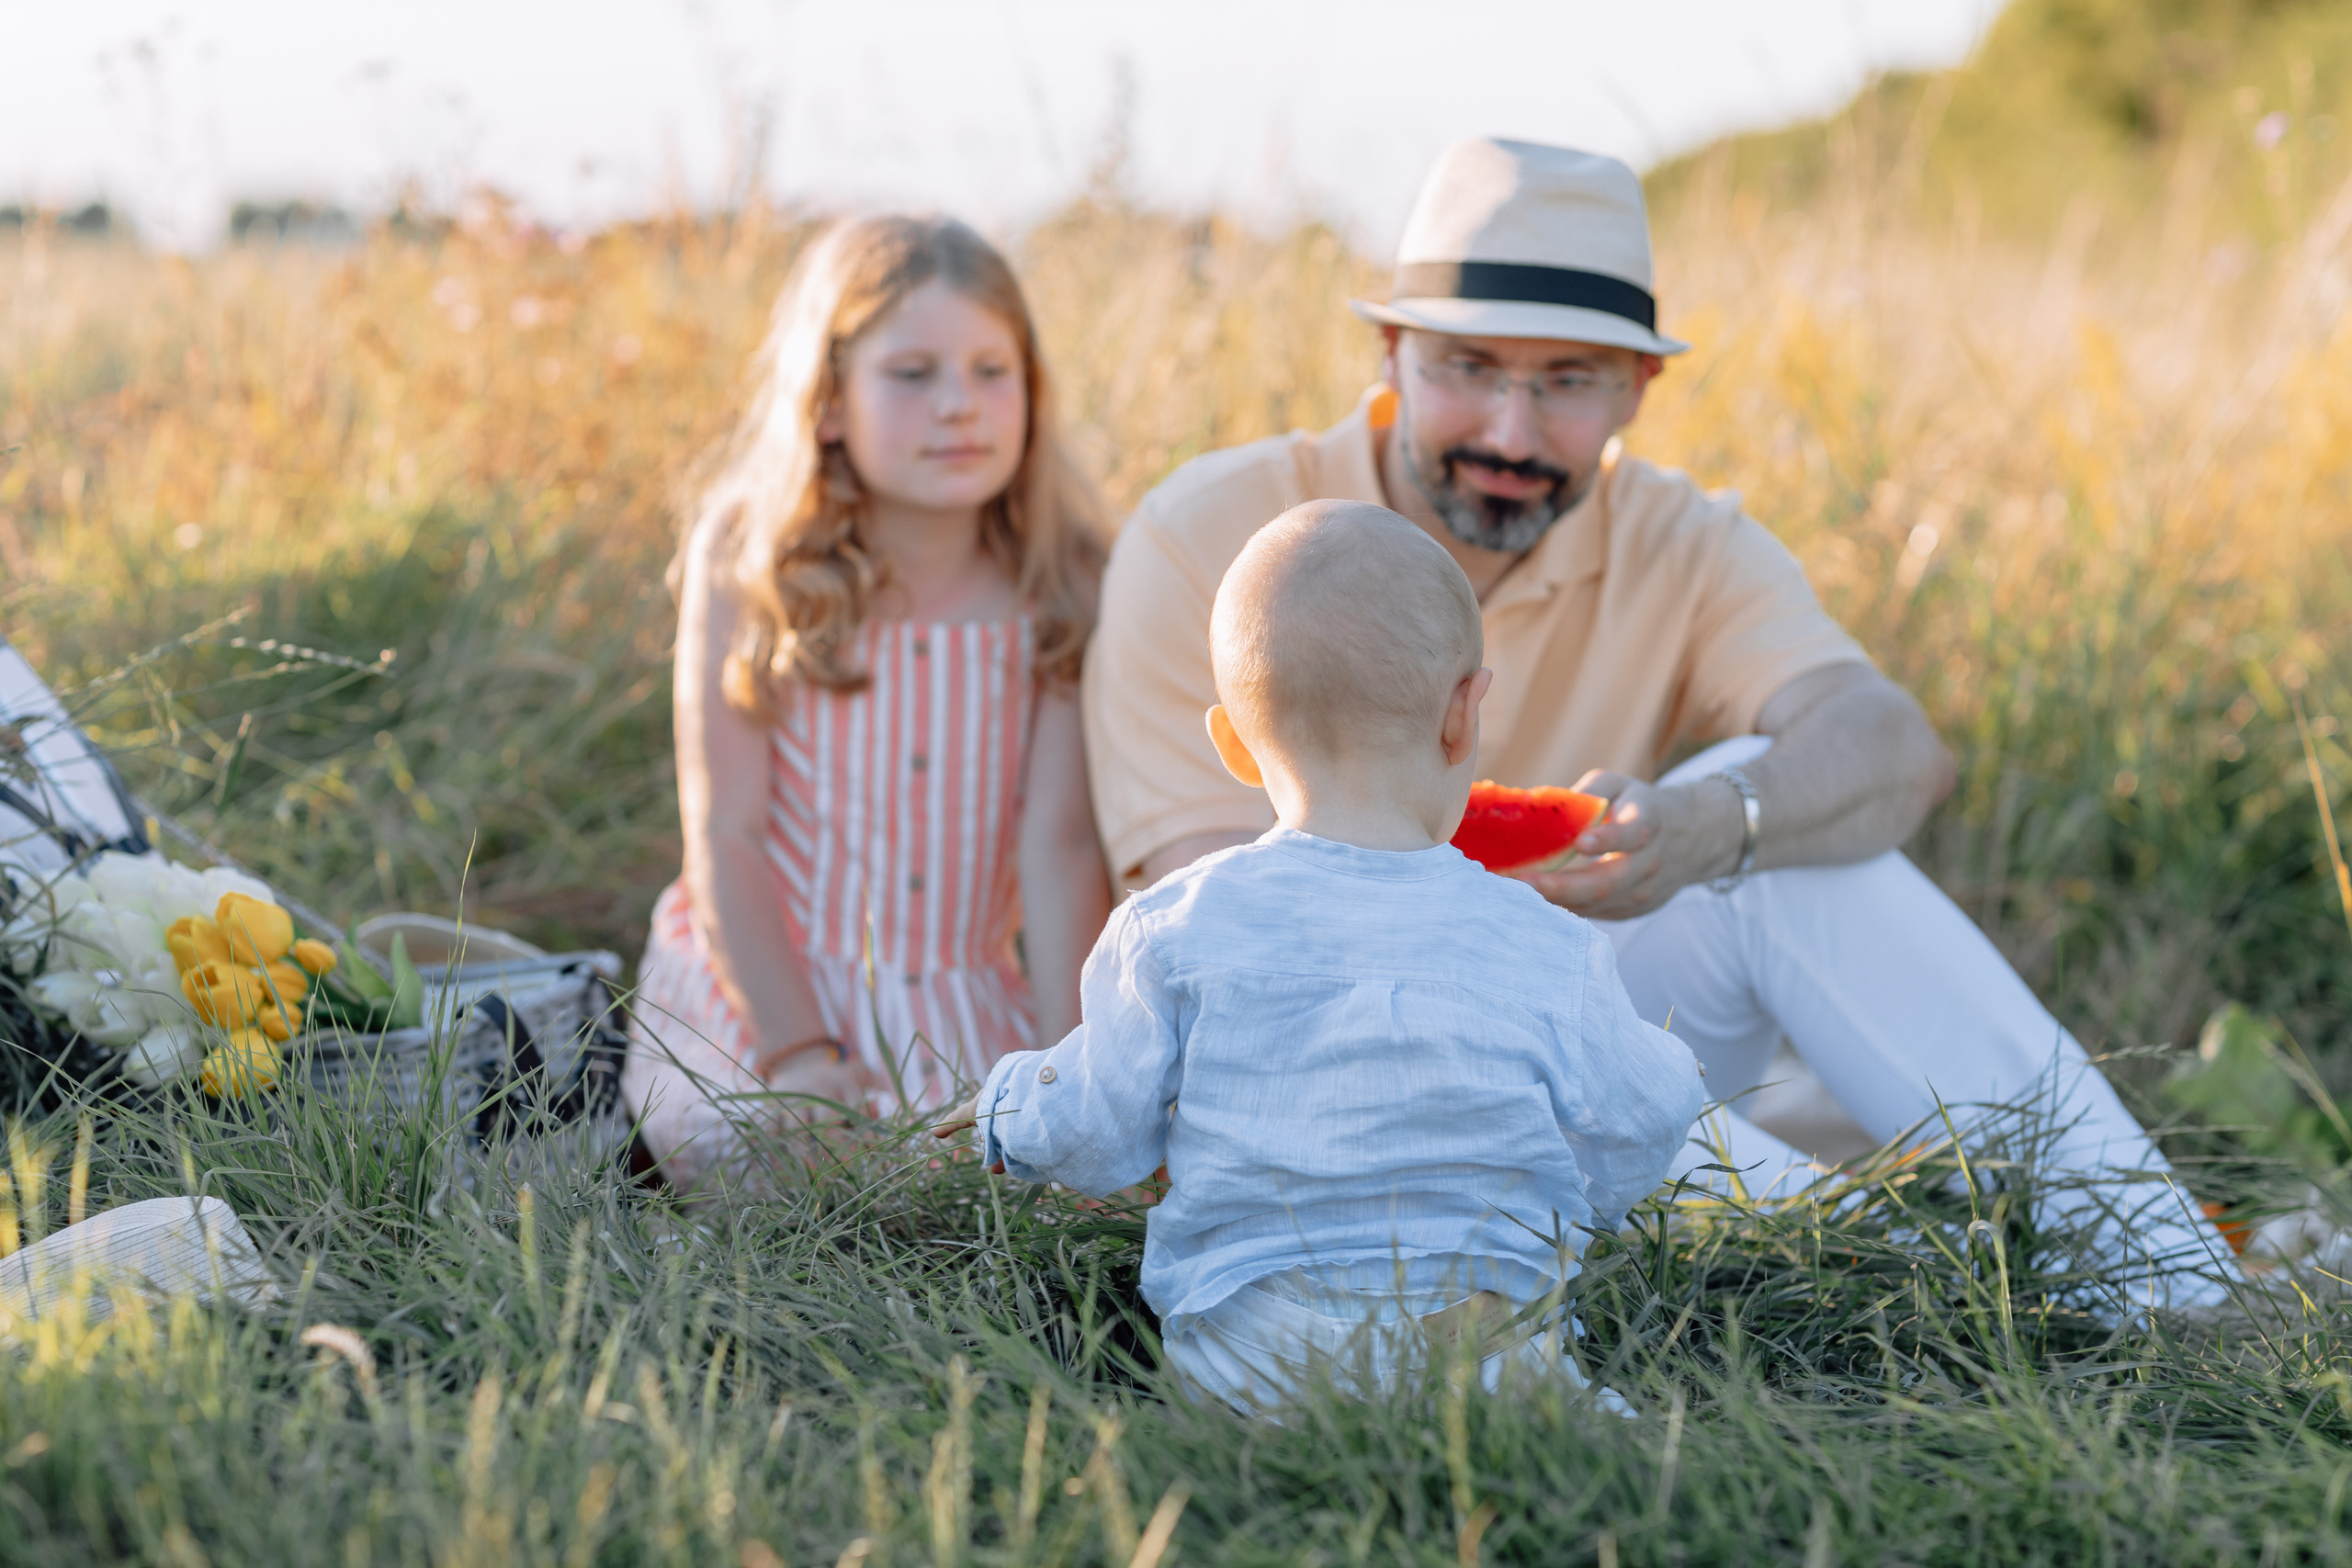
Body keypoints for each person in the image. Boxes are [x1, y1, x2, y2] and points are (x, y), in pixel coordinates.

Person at [1080, 139, 2228, 1302]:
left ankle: (2172, 1283)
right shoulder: (1216, 535)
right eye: (1468, 368)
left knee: (1762, 809)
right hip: (1335, 1086)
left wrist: (1701, 825)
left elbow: (1892, 747)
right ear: (1392, 354)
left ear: (1639, 389)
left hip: (1586, 1031)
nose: (1512, 433)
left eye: (1569, 380)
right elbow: (1206, 902)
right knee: (1740, 1127)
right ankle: (1916, 1286)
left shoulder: (1681, 541)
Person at [936, 501, 1703, 1410]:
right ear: (1465, 715)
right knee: (1572, 1416)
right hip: (1482, 1333)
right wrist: (1598, 1204)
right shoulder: (1544, 943)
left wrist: (1007, 1111)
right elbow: (1647, 1114)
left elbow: (1100, 1130)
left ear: (1232, 744)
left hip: (1254, 1348)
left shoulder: (1173, 924)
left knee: (1236, 1397)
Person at [623, 215, 1114, 1190]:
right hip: (769, 982)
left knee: (1013, 1184)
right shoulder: (754, 560)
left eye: (990, 371)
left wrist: (1075, 1081)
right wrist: (803, 1057)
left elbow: (1057, 853)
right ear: (830, 399)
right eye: (913, 373)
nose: (959, 407)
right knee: (749, 1145)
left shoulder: (1063, 583)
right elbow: (728, 835)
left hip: (956, 997)